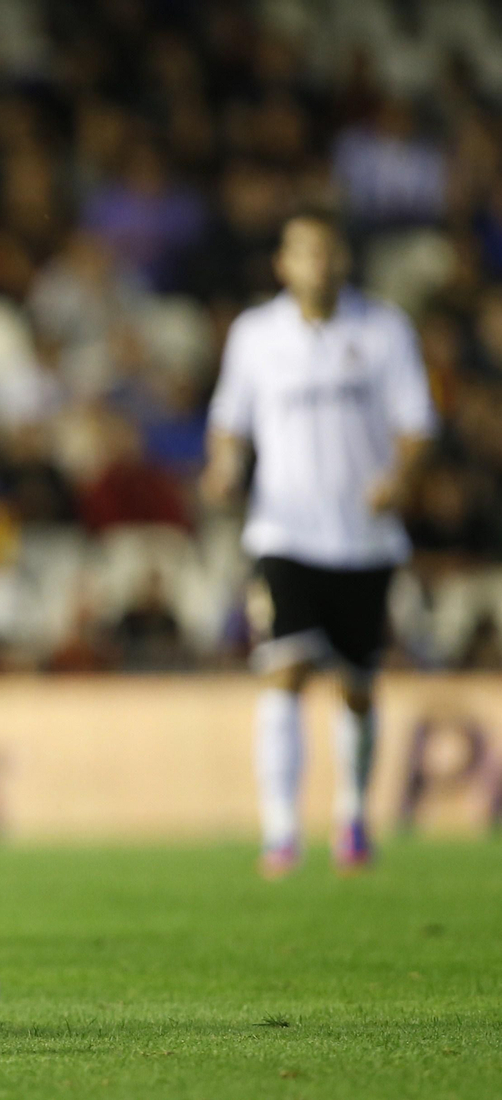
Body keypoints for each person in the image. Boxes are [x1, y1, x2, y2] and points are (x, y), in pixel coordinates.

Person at [202, 209, 433, 878]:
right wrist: (222, 466)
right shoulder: (255, 334)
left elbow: (417, 424)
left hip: (364, 538)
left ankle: (353, 817)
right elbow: (228, 422)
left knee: (357, 686)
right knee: (286, 669)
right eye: (305, 254)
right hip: (284, 531)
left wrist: (399, 478)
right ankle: (281, 831)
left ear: (344, 261)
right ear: (284, 263)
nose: (319, 266)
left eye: (328, 254)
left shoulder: (384, 330)